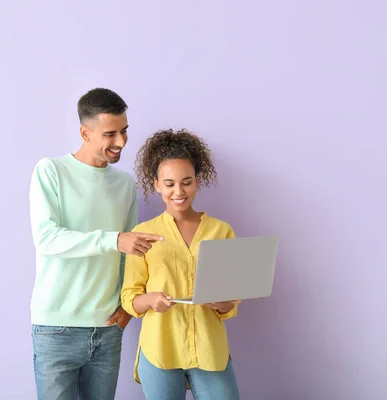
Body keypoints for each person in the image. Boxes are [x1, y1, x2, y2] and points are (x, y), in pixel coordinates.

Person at [29, 88, 163, 400]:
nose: (121, 142)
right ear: (85, 133)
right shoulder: (51, 171)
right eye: (110, 133)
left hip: (107, 329)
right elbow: (47, 239)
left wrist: (128, 308)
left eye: (125, 131)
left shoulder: (124, 184)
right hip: (55, 328)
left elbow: (130, 259)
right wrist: (114, 239)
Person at [121, 128, 242, 400]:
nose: (179, 191)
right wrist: (150, 299)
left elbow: (231, 302)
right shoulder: (143, 233)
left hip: (209, 349)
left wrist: (225, 304)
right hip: (160, 349)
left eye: (187, 182)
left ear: (198, 181)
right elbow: (129, 297)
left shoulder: (221, 231)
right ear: (156, 184)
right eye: (169, 184)